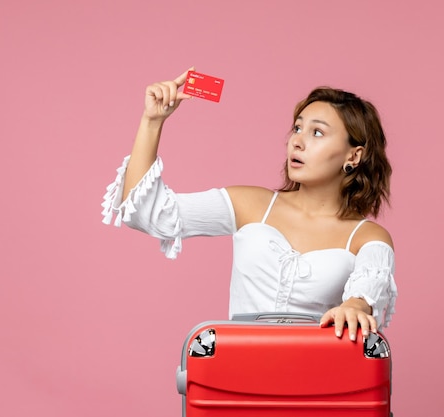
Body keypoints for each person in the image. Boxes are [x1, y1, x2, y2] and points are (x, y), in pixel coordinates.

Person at [102, 67, 397, 342]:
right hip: (240, 374)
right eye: (297, 128)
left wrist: (356, 306)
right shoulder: (251, 204)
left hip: (318, 382)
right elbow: (147, 214)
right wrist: (152, 121)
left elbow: (367, 290)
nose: (297, 141)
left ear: (353, 156)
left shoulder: (367, 236)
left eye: (317, 132)